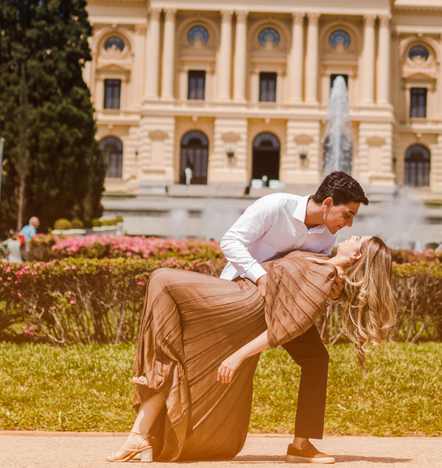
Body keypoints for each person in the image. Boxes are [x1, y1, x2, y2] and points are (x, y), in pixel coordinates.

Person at [109, 233, 395, 463]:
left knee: (162, 279)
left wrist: (237, 356)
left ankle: (144, 421)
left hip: (242, 302)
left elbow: (286, 328)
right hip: (241, 292)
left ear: (356, 256)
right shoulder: (323, 261)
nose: (350, 234)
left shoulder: (325, 278)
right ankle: (140, 434)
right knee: (176, 344)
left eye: (356, 239)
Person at [219, 171, 368, 464]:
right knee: (218, 366)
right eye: (347, 215)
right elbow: (230, 241)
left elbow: (313, 271)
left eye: (352, 219)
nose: (348, 224)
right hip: (241, 293)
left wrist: (334, 290)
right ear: (327, 202)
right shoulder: (275, 206)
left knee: (316, 359)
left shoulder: (329, 233)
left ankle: (301, 444)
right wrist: (260, 276)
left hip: (284, 305)